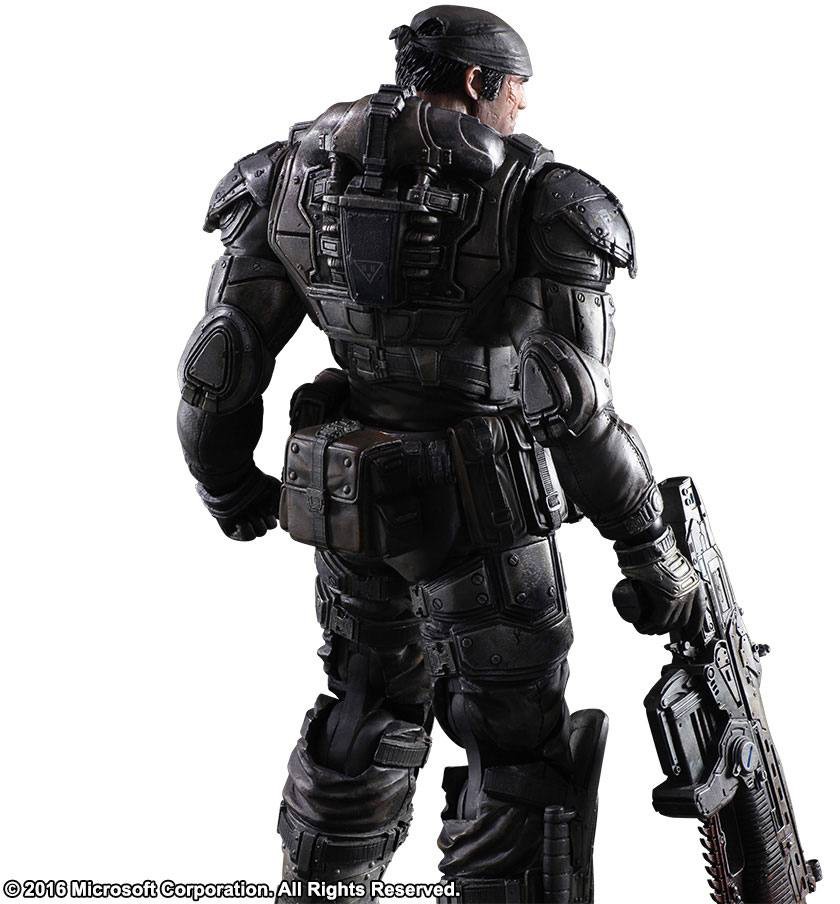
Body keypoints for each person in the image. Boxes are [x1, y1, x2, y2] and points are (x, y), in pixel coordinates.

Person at [177, 7, 704, 903]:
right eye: (517, 87)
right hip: (483, 510)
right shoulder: (548, 198)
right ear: (475, 80)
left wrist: (229, 487)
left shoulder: (287, 175)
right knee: (515, 747)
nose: (522, 105)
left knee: (363, 711)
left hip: (349, 503)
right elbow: (573, 406)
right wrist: (648, 546)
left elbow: (220, 361)